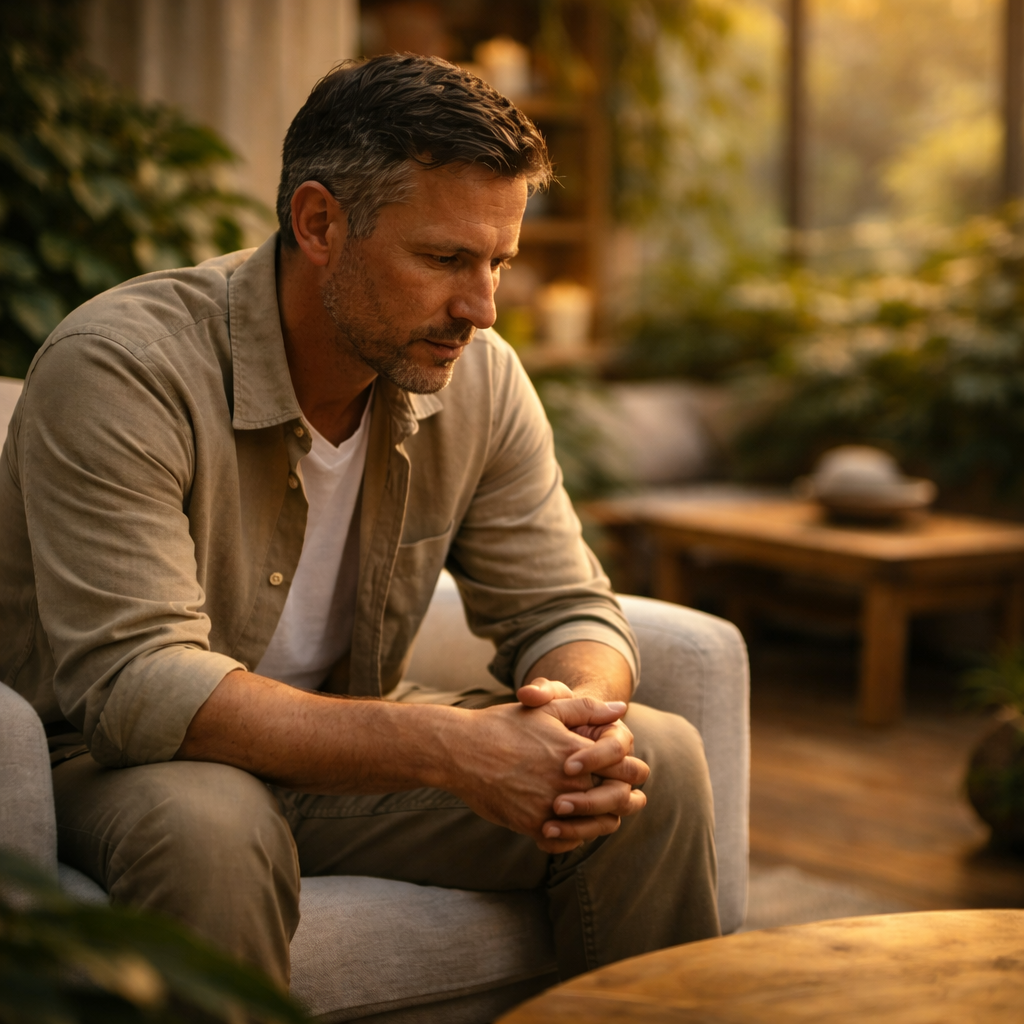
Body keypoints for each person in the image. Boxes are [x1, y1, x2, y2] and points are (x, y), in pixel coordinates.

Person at [0, 54, 719, 988]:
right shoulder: (122, 368)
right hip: (116, 759)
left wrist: (573, 721)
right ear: (318, 223)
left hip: (344, 750)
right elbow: (139, 683)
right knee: (214, 825)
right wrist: (455, 749)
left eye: (498, 262)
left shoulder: (478, 375)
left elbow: (565, 606)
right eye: (445, 259)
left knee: (649, 767)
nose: (483, 309)